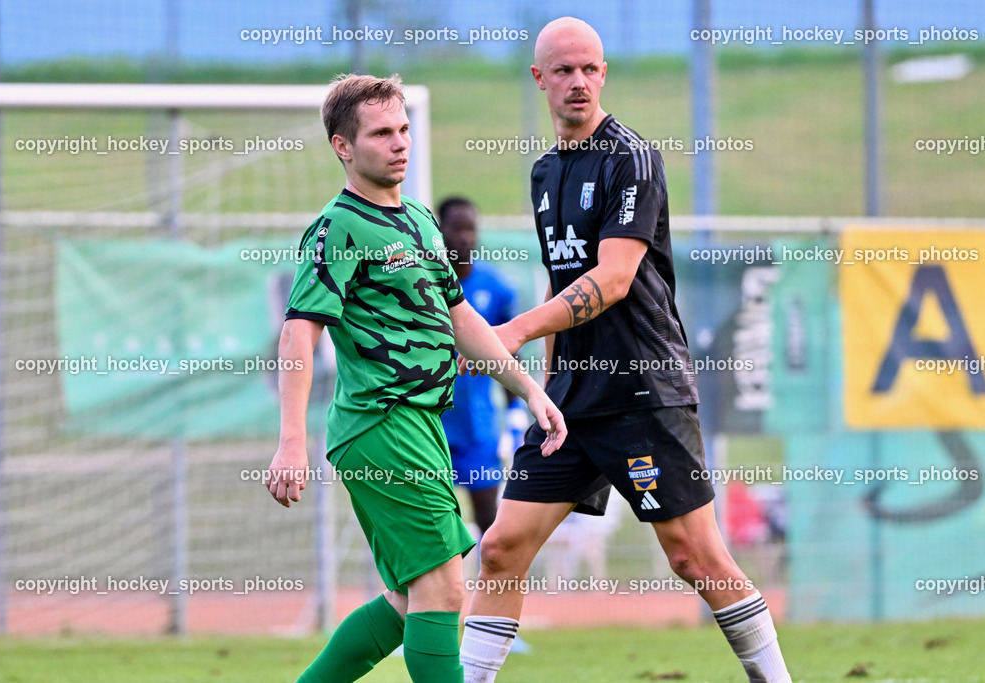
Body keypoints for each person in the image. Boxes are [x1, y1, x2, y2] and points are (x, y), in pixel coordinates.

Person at [458, 18, 792, 683]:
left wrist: (513, 332)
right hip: (570, 402)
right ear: (540, 79)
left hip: (643, 391)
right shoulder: (545, 172)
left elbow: (612, 280)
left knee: (694, 558)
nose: (578, 82)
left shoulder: (631, 159)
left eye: (590, 68)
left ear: (604, 73)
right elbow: (562, 281)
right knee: (500, 549)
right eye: (564, 70)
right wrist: (542, 389)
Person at [264, 73, 566, 683]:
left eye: (403, 129)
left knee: (410, 600)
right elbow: (298, 334)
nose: (400, 142)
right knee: (444, 587)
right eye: (381, 133)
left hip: (420, 426)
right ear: (343, 147)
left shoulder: (422, 220)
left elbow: (462, 319)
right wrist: (291, 440)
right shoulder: (339, 227)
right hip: (382, 424)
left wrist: (530, 389)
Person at [437, 196, 518, 535]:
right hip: (431, 428)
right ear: (439, 231)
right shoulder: (422, 285)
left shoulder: (496, 288)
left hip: (478, 429)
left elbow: (510, 355)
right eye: (456, 229)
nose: (464, 237)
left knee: (490, 524)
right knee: (435, 527)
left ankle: (490, 573)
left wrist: (515, 415)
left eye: (470, 229)